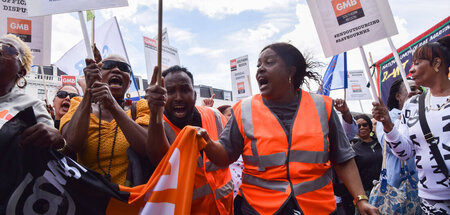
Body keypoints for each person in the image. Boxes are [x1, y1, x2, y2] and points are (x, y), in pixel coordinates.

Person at [195, 43, 378, 214]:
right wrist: (206, 142)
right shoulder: (243, 110)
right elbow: (225, 156)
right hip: (258, 209)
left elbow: (343, 158)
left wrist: (361, 199)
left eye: (269, 62)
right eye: (258, 64)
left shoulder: (323, 106)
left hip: (318, 208)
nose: (260, 68)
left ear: (291, 71)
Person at [372, 36, 450, 214]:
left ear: (437, 63)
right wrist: (388, 125)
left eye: (416, 63)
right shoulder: (413, 105)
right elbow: (405, 153)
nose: (411, 70)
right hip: (431, 200)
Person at [145, 65, 233, 215]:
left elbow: (231, 151)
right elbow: (159, 160)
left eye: (185, 90)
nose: (178, 97)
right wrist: (155, 113)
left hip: (226, 208)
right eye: (170, 91)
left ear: (194, 94)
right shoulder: (158, 126)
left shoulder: (215, 115)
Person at [60, 54, 150, 186]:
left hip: (126, 201)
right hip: (88, 198)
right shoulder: (78, 104)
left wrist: (113, 106)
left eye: (124, 68)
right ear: (98, 76)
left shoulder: (140, 107)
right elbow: (72, 144)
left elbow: (147, 147)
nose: (116, 70)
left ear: (129, 83)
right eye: (108, 66)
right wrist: (89, 93)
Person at [0, 34, 64, 148]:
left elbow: (53, 150)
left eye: (8, 49)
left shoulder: (31, 106)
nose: (0, 50)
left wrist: (58, 140)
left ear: (21, 71)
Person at [375, 78, 421, 189]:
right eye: (412, 89)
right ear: (398, 96)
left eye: (421, 89)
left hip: (427, 186)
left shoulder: (425, 116)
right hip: (398, 189)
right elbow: (389, 147)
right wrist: (400, 120)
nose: (418, 92)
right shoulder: (385, 119)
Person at [351, 115, 382, 200]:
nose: (362, 128)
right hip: (368, 192)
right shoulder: (354, 149)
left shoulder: (381, 143)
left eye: (365, 124)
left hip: (386, 188)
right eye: (358, 126)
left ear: (370, 126)